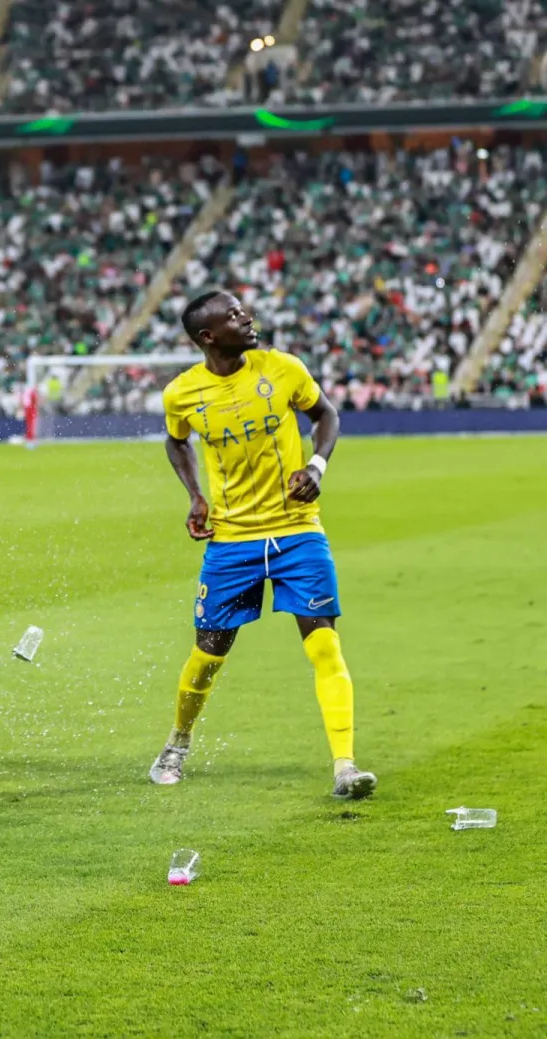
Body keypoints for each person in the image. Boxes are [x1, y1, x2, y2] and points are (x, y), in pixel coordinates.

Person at [150, 290, 377, 800]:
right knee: (209, 652)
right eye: (232, 315)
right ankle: (178, 741)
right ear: (208, 337)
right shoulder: (181, 393)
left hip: (298, 530)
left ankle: (345, 765)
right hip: (232, 540)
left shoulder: (283, 368)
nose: (245, 317)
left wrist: (316, 465)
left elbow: (327, 415)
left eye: (242, 309)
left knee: (324, 645)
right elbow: (175, 438)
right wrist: (194, 496)